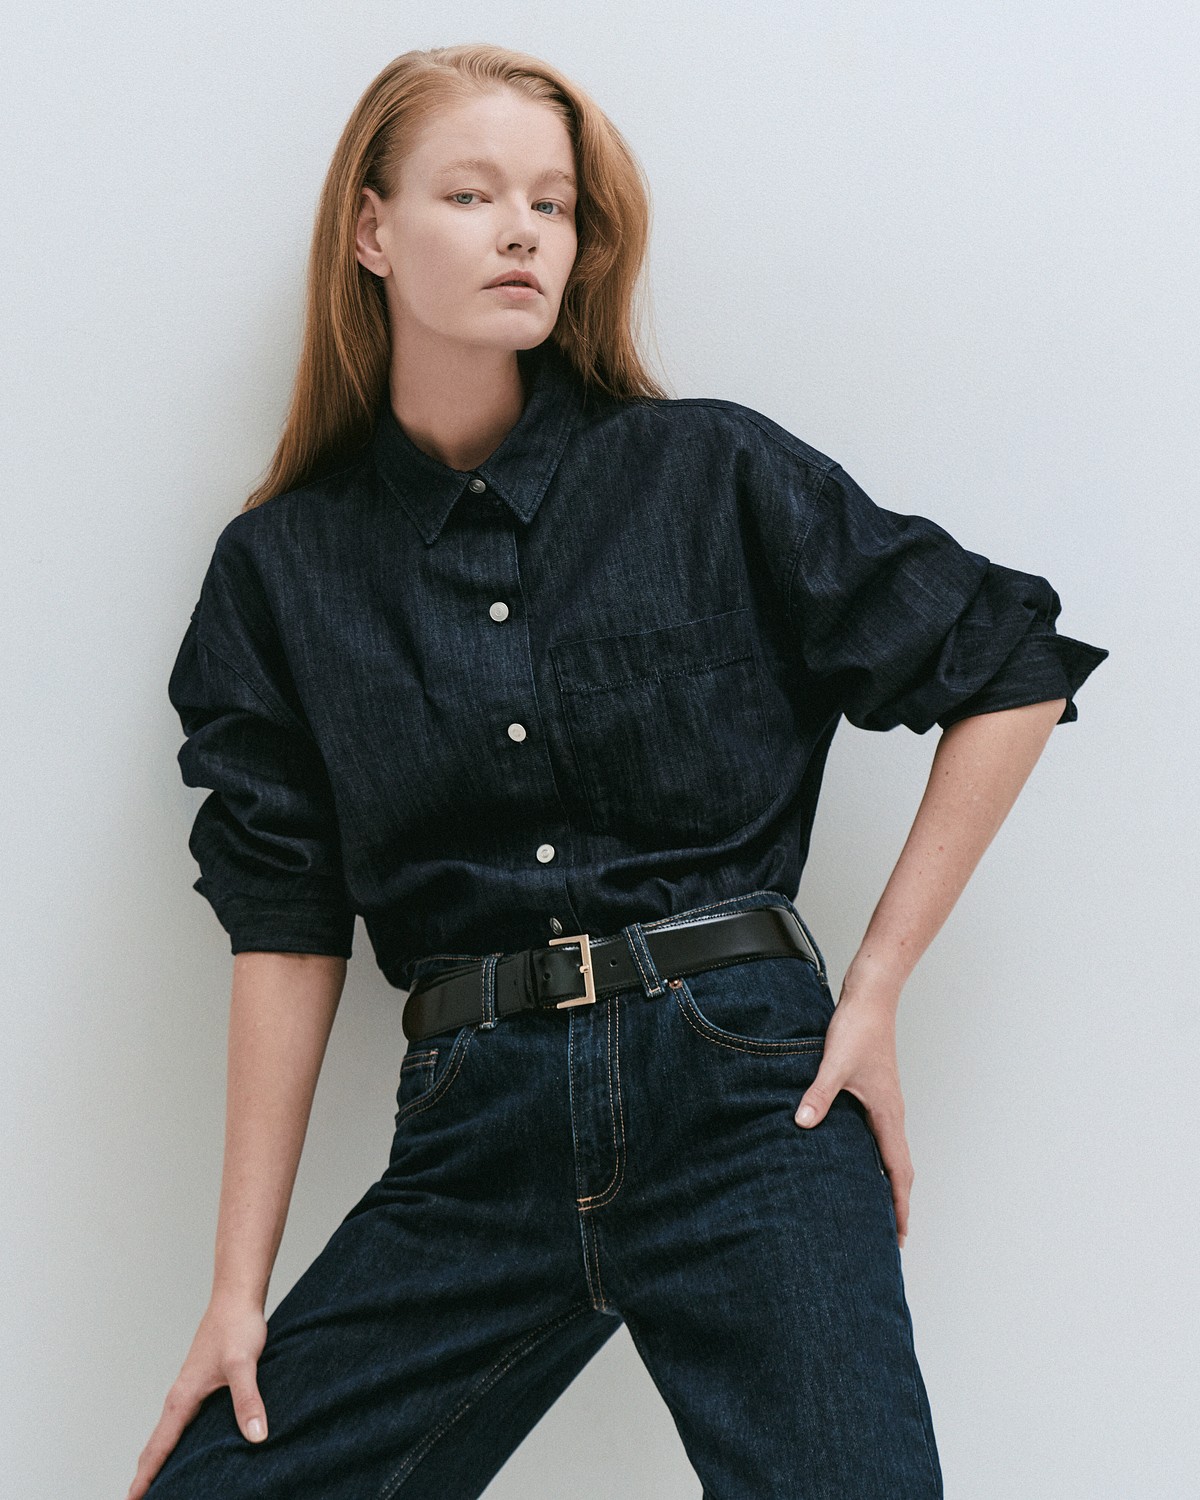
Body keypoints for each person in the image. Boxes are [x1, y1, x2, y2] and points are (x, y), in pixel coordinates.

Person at [128, 41, 1108, 1500]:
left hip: (750, 1099)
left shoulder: (705, 472)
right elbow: (284, 923)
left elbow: (1008, 665)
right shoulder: (282, 571)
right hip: (478, 1131)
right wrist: (236, 1291)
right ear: (373, 231)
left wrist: (876, 993)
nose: (524, 231)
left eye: (554, 204)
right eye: (473, 195)